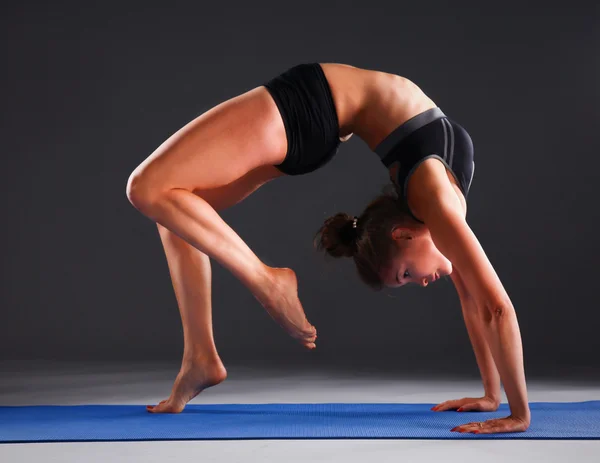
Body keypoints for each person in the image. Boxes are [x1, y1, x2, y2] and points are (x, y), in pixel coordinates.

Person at [126, 63, 530, 434]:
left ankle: (233, 317)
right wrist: (514, 412)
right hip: (314, 106)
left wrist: (496, 398)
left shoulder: (440, 211)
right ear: (402, 235)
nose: (420, 282)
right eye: (405, 275)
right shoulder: (437, 203)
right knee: (167, 199)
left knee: (159, 192)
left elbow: (477, 303)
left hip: (320, 115)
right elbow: (492, 306)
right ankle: (227, 325)